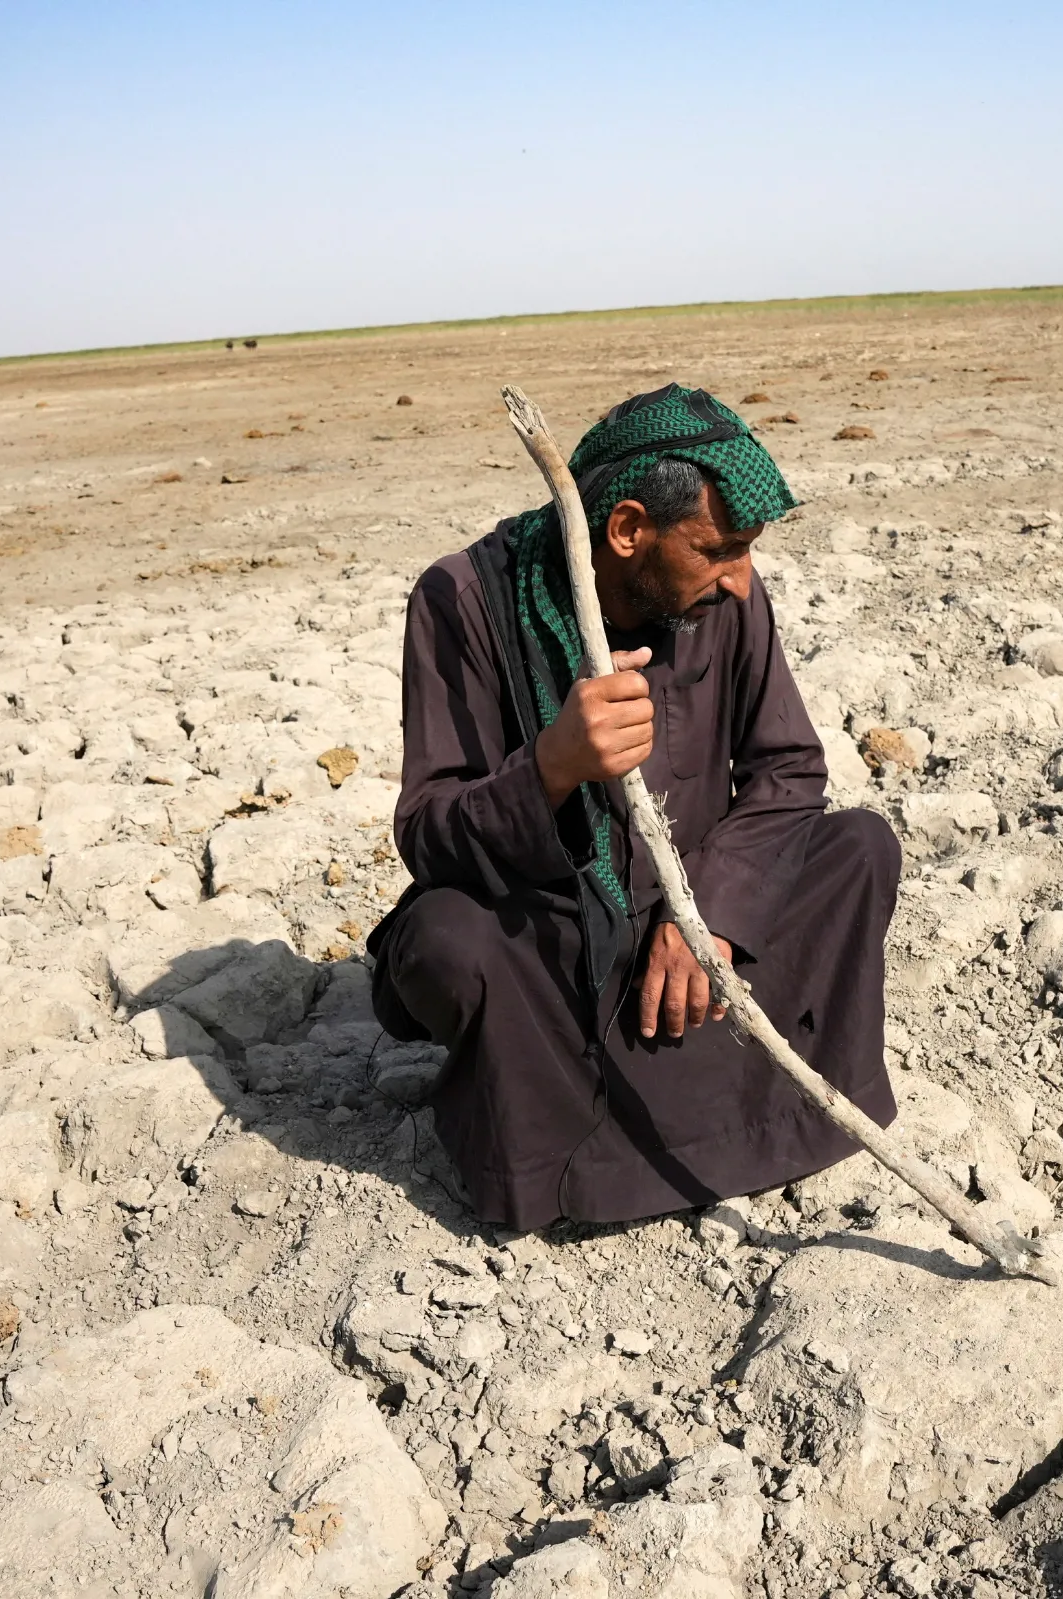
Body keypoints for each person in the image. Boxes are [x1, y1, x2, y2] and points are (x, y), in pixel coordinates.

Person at [369, 384, 900, 1230]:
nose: (740, 580)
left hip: (687, 937)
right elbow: (430, 835)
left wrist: (710, 918)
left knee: (860, 848)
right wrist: (549, 766)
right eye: (720, 550)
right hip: (555, 945)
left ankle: (720, 1106)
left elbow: (788, 769)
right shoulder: (461, 598)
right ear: (626, 532)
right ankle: (573, 1151)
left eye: (747, 552)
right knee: (444, 942)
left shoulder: (725, 595)